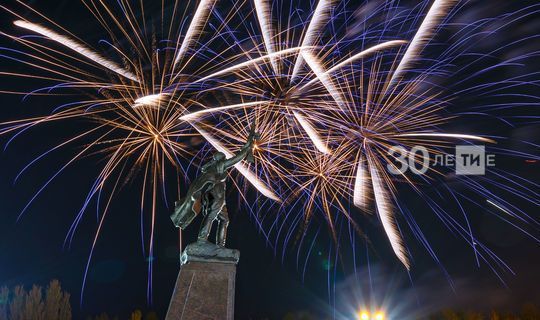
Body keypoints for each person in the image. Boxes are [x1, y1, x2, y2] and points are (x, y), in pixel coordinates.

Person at [171, 125, 259, 247]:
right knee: (212, 215)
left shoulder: (211, 168)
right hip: (217, 192)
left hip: (213, 193)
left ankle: (220, 245)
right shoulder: (220, 165)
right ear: (220, 159)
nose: (225, 157)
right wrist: (247, 147)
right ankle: (202, 239)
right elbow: (238, 158)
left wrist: (248, 144)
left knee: (224, 219)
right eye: (223, 156)